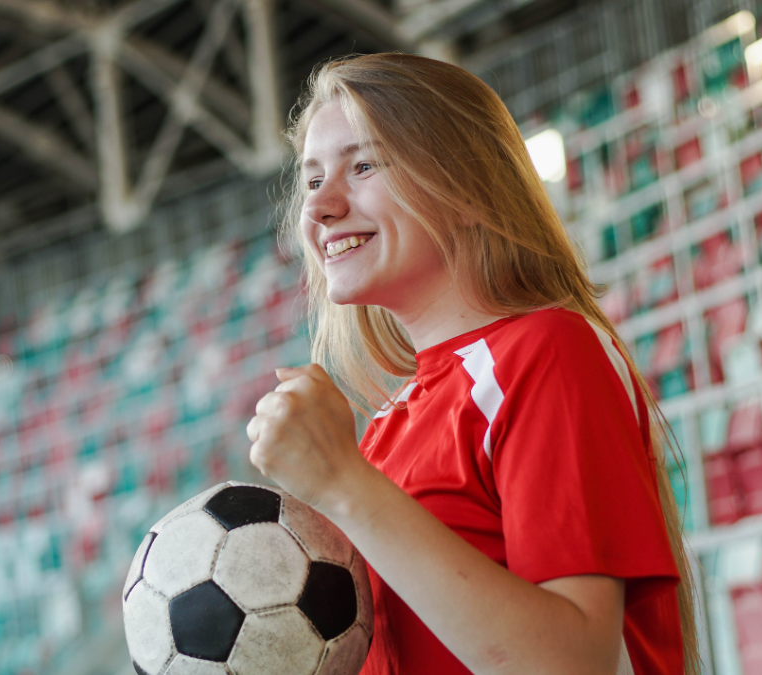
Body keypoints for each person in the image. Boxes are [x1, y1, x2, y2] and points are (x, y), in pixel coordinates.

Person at [245, 53, 697, 675]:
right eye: (313, 178)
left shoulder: (546, 351)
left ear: (466, 187)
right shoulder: (387, 426)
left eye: (365, 164)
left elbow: (573, 663)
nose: (319, 208)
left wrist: (342, 484)